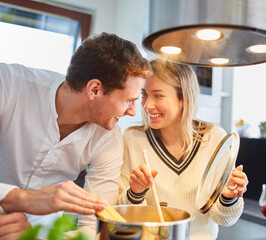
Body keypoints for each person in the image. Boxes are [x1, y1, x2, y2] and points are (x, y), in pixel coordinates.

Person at [0, 32, 152, 238]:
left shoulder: (109, 138)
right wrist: (23, 199)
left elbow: (94, 225)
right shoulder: (9, 85)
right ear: (95, 89)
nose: (133, 111)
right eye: (128, 100)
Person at [118, 59, 248, 240]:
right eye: (144, 94)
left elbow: (224, 219)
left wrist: (228, 196)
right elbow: (121, 215)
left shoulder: (214, 138)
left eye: (158, 95)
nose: (147, 105)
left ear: (184, 99)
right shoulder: (132, 140)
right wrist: (135, 193)